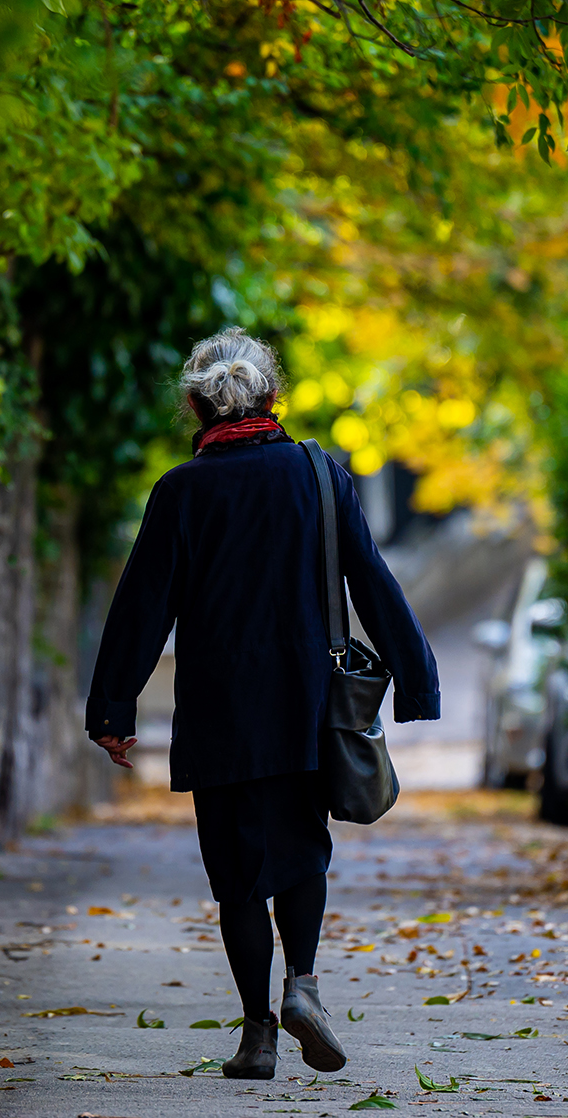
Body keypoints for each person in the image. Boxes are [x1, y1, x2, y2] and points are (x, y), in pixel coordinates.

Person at [86, 327, 441, 1080]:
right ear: (272, 396)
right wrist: (415, 680)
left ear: (195, 406)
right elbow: (371, 580)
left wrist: (115, 708)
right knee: (302, 848)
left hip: (219, 710)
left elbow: (142, 607)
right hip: (304, 701)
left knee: (238, 873)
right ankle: (303, 985)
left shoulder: (181, 492)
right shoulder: (319, 475)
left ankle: (258, 1034)